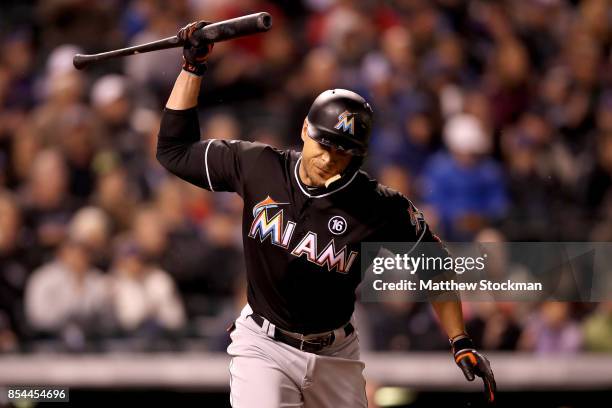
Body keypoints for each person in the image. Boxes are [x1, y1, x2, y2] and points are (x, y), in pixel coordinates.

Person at [156, 21, 496, 407]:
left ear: (357, 155)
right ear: (304, 128)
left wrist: (459, 339)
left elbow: (435, 263)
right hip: (264, 345)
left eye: (342, 149)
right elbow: (173, 151)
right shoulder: (258, 165)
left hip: (335, 354)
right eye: (323, 141)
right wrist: (192, 68)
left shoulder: (377, 205)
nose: (328, 156)